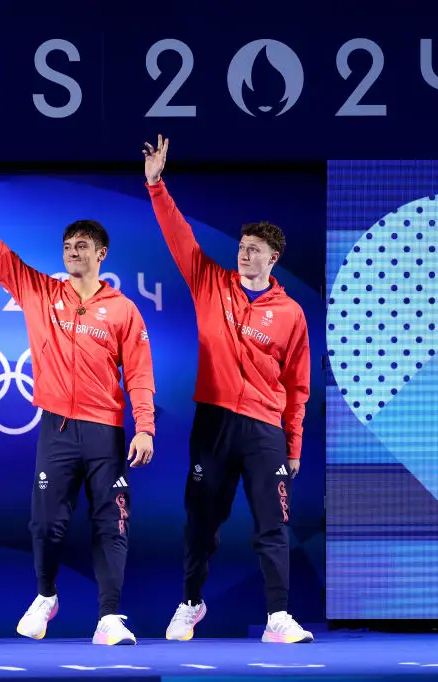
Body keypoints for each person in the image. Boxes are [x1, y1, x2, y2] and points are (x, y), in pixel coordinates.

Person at [0, 165, 156, 646]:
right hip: (56, 428)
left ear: (101, 254)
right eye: (67, 247)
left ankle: (110, 617)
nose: (72, 253)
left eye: (82, 247)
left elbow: (139, 374)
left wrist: (145, 428)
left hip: (106, 432)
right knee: (46, 523)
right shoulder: (40, 292)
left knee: (111, 521)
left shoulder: (122, 310)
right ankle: (46, 596)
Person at [140, 137, 314, 644]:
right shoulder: (209, 282)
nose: (244, 255)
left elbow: (298, 386)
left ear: (273, 259)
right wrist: (155, 184)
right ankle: (191, 604)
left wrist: (294, 446)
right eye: (241, 247)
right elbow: (180, 236)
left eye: (254, 250)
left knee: (272, 526)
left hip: (264, 429)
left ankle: (277, 617)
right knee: (201, 523)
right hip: (213, 423)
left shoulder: (291, 315)